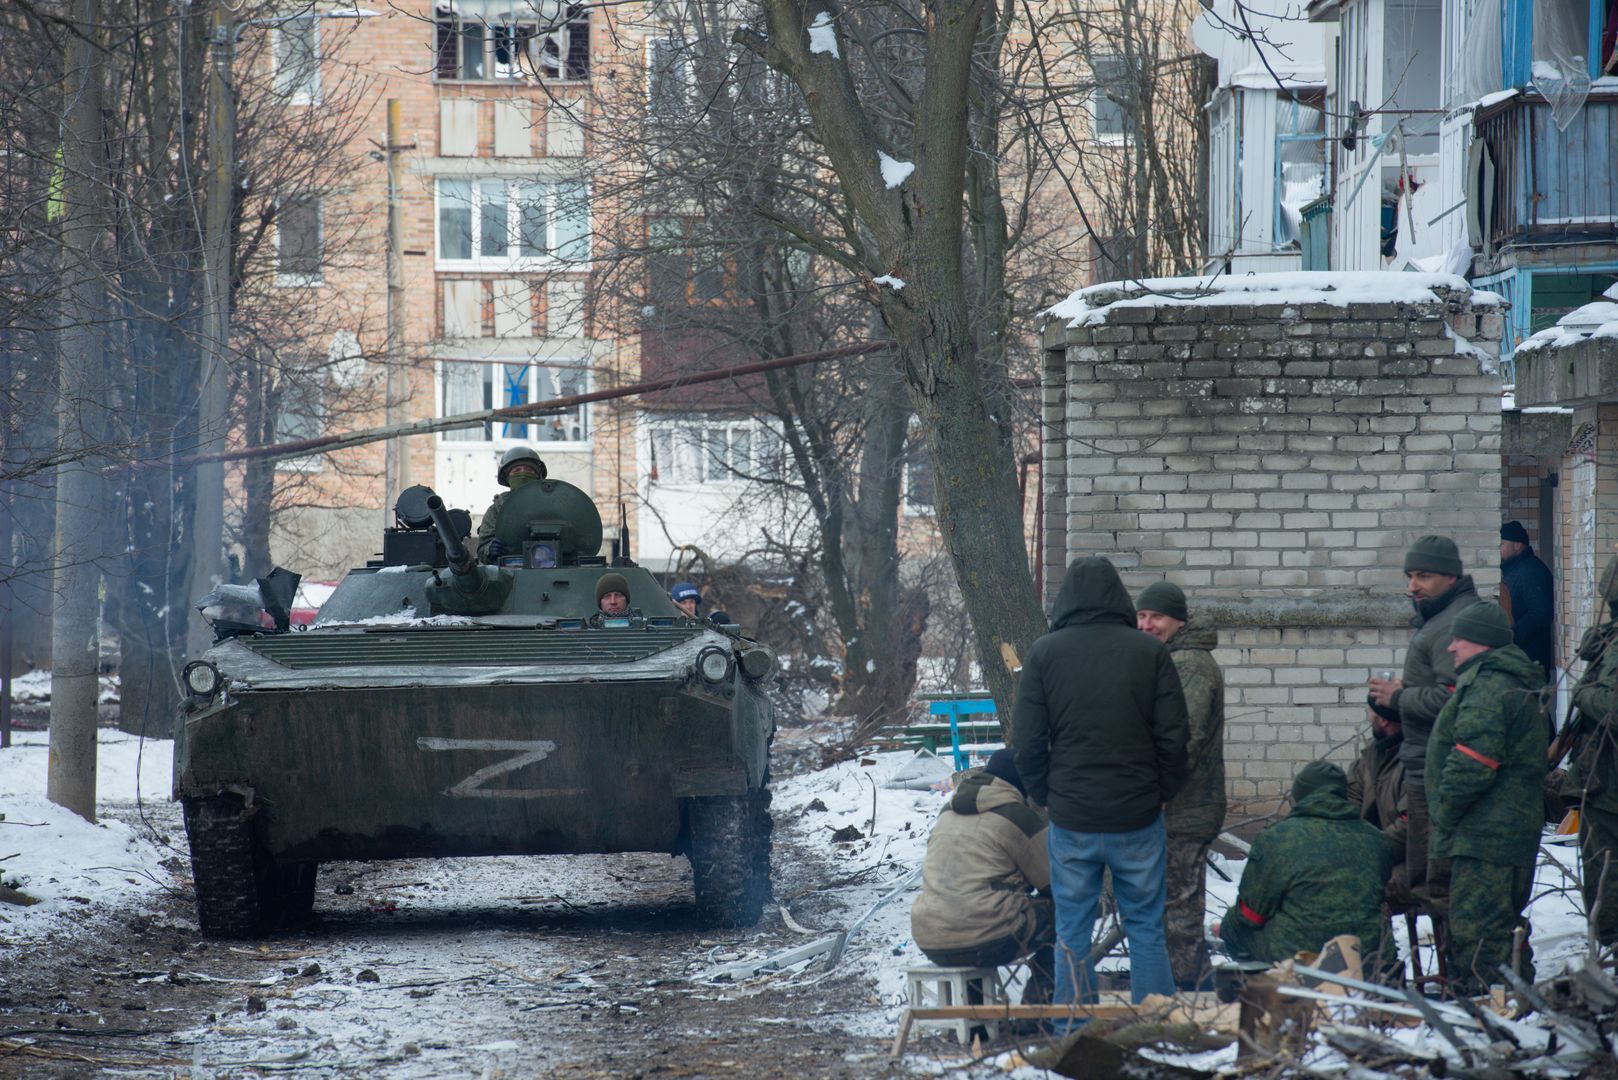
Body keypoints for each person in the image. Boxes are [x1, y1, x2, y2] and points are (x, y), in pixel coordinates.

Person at [1013, 556, 1189, 1006]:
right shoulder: (1149, 652)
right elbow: (1174, 737)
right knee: (1146, 924)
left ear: (1065, 599)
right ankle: (1154, 1024)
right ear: (1119, 599)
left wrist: (1044, 794)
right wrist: (1165, 791)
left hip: (1072, 816)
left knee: (1072, 928)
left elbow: (1028, 742)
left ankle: (1073, 1026)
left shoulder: (1043, 654)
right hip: (1138, 813)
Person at [1426, 601, 1548, 992]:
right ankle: (1514, 1000)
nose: (1451, 647)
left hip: (1489, 834)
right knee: (1498, 923)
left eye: (1458, 638)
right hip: (1500, 830)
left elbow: (1473, 763)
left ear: (1481, 642)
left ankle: (1497, 1005)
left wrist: (1444, 814)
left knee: (1479, 928)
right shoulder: (1505, 680)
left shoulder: (1490, 686)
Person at [1368, 535, 1480, 920]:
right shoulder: (1439, 618)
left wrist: (1398, 698)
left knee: (1437, 885)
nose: (1411, 586)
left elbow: (1455, 700)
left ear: (1451, 578)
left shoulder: (1455, 624)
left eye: (1423, 576)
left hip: (1438, 774)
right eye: (1410, 576)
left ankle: (1462, 976)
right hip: (1425, 767)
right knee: (1427, 883)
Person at [1135, 580, 1225, 992]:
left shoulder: (1188, 664)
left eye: (1157, 617)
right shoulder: (1169, 658)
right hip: (1179, 803)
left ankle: (1188, 991)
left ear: (1179, 621)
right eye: (1142, 615)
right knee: (1175, 901)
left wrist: (1158, 792)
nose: (1147, 624)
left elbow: (1183, 738)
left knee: (1180, 907)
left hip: (1185, 806)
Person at [910, 749, 1055, 1004]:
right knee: (1066, 916)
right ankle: (1038, 1010)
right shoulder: (1017, 816)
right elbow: (1053, 884)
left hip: (929, 935)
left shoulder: (947, 813)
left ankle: (977, 1022)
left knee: (974, 909)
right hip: (986, 939)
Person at [1218, 761, 1395, 967]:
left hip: (1297, 956)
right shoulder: (1377, 839)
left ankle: (1269, 986)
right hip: (1365, 953)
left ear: (1299, 794)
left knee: (1232, 924)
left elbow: (1251, 915)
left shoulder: (1276, 838)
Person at [1563, 555, 1618, 946]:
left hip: (1611, 786)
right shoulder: (1607, 640)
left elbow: (1612, 709)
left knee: (1606, 875)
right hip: (1603, 782)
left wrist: (1583, 692)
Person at [1346, 709, 1410, 909]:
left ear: (1382, 720)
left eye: (1372, 713)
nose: (1369, 717)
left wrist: (1366, 854)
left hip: (1411, 860)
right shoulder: (1370, 758)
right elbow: (1349, 801)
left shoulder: (1414, 761)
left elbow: (1409, 828)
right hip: (1374, 853)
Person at [1498, 521, 1556, 682]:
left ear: (1517, 545)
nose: (1499, 548)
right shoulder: (1514, 569)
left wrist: (1513, 634)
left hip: (1529, 661)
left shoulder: (1531, 571)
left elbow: (1541, 613)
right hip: (1518, 660)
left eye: (1502, 543)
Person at [476, 447, 548, 563]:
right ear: (507, 477)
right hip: (510, 571)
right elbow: (482, 551)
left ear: (538, 475)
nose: (523, 473)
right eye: (516, 470)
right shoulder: (497, 510)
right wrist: (490, 550)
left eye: (529, 470)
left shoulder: (553, 502)